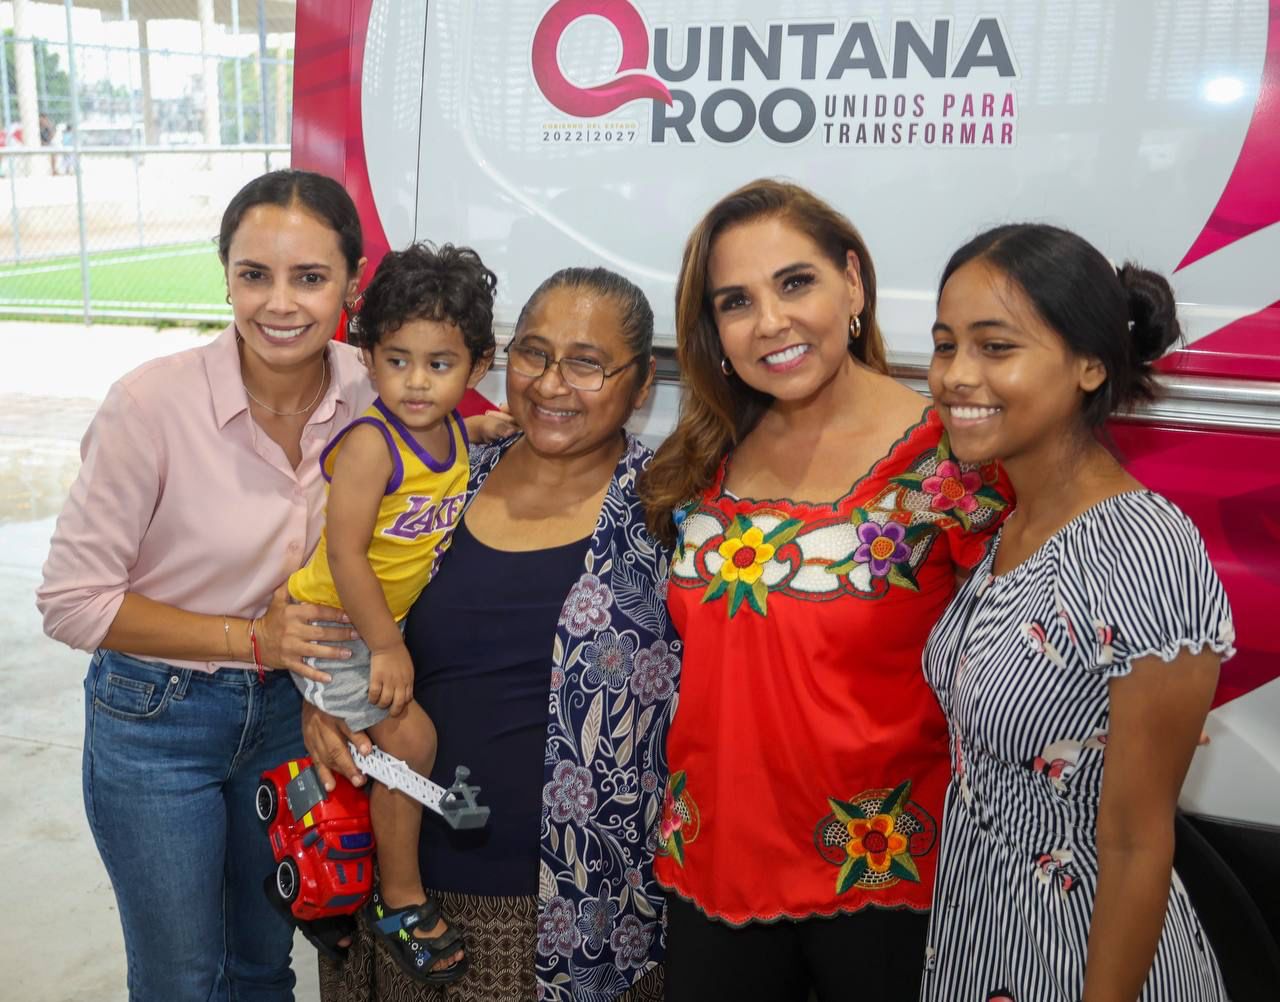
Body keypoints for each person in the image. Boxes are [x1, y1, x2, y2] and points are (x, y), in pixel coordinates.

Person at [638, 179, 1011, 1000]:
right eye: (736, 301)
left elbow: (1026, 639)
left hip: (885, 874)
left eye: (795, 282)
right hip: (714, 861)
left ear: (852, 283)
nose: (770, 321)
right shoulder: (708, 448)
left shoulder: (950, 458)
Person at [37, 168, 375, 1001]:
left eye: (310, 277)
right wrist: (253, 641)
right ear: (226, 275)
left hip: (295, 715)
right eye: (254, 274)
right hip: (159, 717)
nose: (279, 303)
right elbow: (73, 601)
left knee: (264, 966)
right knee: (184, 980)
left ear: (352, 282)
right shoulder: (151, 405)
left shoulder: (375, 391)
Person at [304, 267, 677, 1002]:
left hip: (583, 911)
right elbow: (344, 594)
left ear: (641, 386)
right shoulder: (446, 478)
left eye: (587, 363)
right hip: (411, 897)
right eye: (534, 354)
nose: (551, 383)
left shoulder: (672, 514)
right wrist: (321, 702)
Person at [920, 224, 1233, 1000]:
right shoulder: (1016, 521)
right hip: (989, 940)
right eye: (945, 344)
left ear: (1091, 365)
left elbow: (1134, 845)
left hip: (1087, 962)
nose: (956, 376)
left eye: (996, 347)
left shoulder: (1144, 550)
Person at [286, 240, 499, 984]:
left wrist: (482, 429)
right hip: (336, 627)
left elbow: (449, 444)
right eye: (397, 360)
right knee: (413, 743)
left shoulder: (445, 431)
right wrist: (385, 646)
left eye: (439, 365)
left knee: (382, 754)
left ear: (476, 367)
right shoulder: (372, 446)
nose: (415, 382)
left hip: (375, 623)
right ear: (369, 359)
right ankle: (399, 895)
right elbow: (346, 556)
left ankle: (331, 864)